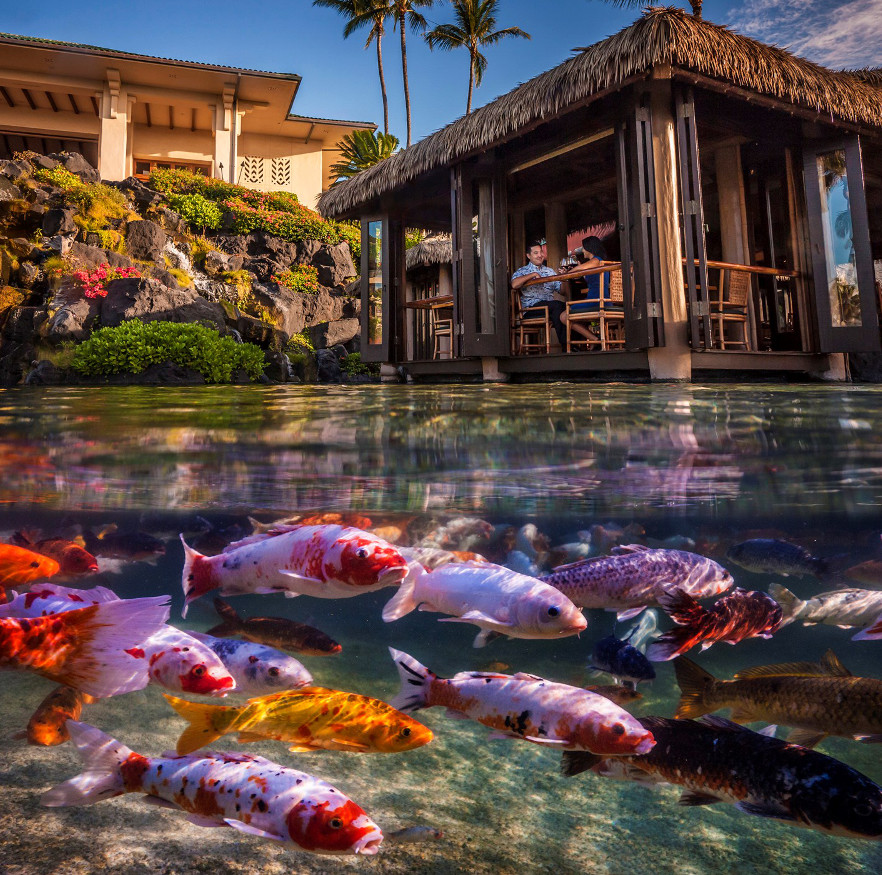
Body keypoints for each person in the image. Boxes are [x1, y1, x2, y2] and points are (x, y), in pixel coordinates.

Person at [510, 242, 568, 348]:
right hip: (531, 309)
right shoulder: (523, 271)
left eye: (541, 252)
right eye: (536, 253)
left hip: (550, 308)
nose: (540, 255)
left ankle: (570, 345)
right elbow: (514, 284)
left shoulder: (549, 271)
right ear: (528, 256)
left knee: (567, 308)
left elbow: (563, 292)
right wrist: (532, 275)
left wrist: (564, 278)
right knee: (558, 306)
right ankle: (567, 345)